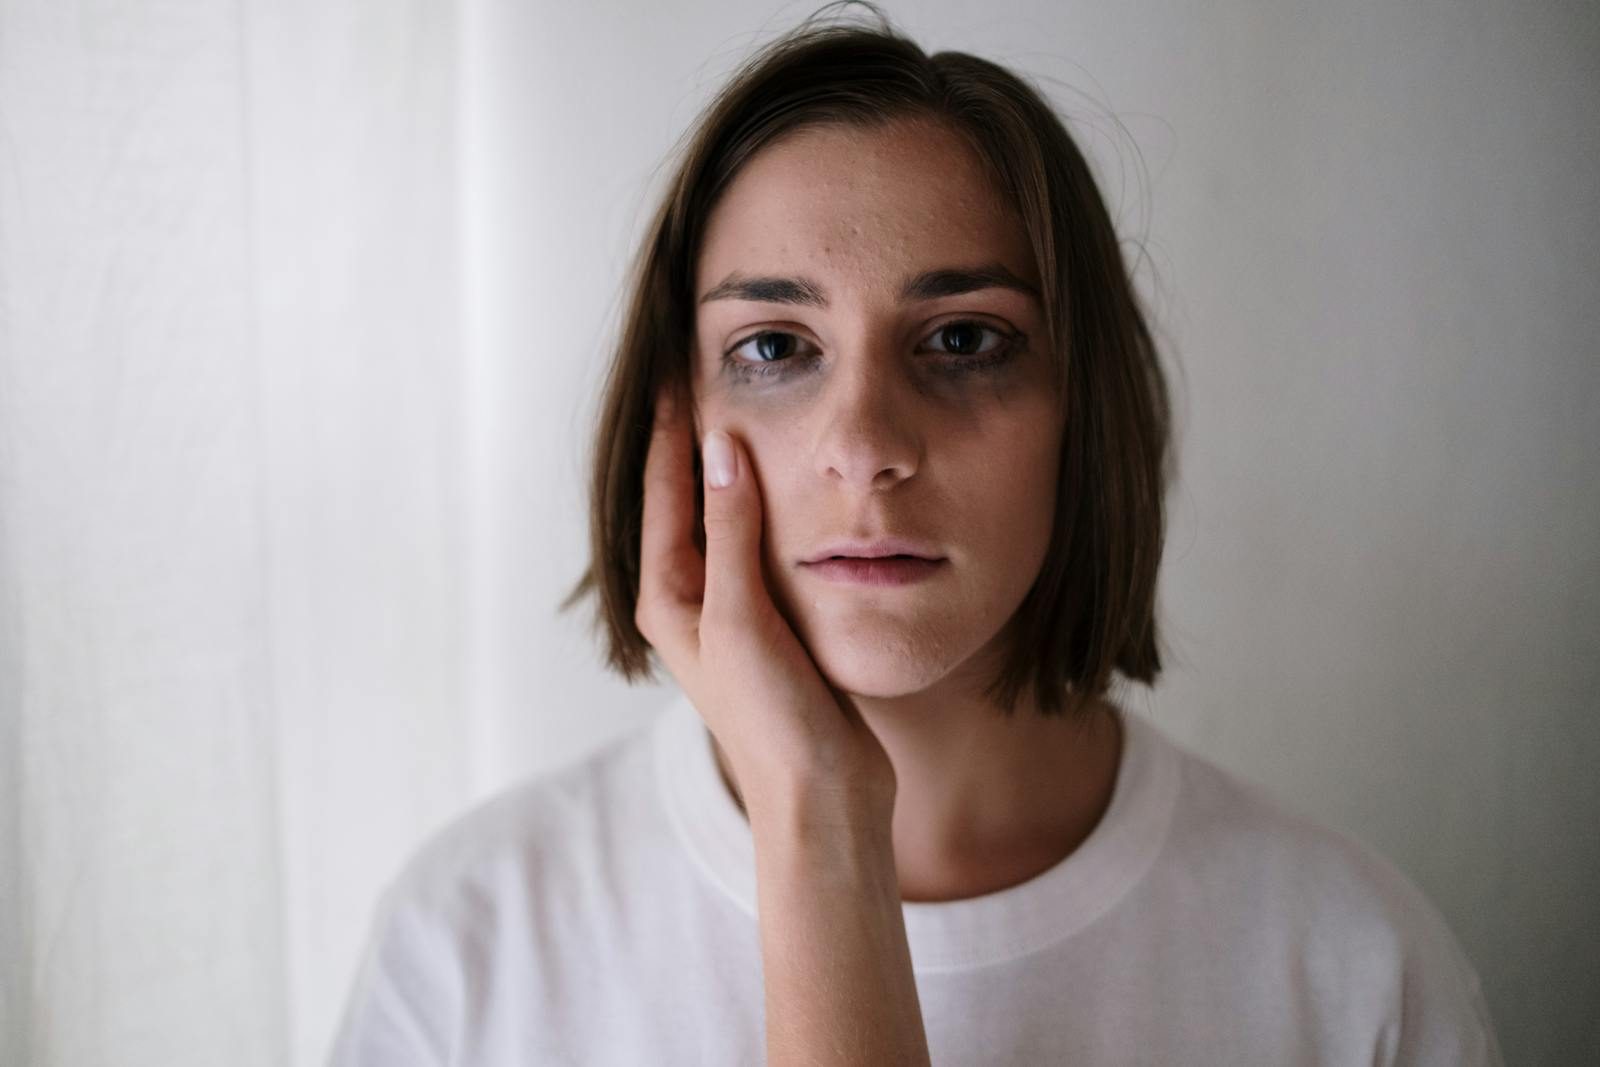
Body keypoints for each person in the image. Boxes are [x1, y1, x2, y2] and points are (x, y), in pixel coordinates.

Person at [329, 6, 1504, 1064]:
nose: (866, 444)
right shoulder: (473, 941)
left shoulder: (1350, 966)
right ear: (672, 425)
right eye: (776, 347)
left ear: (1082, 410)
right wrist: (817, 804)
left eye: (960, 340)